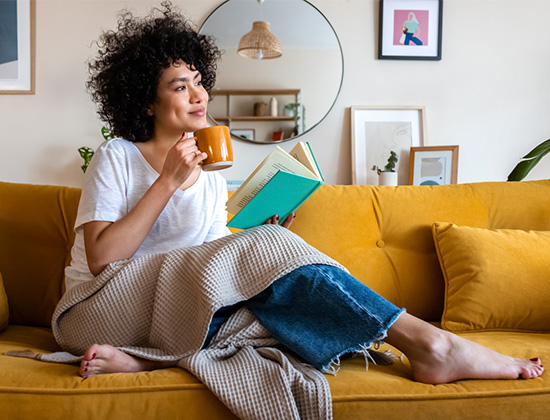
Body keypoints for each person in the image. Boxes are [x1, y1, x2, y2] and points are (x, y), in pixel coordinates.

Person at [63, 2, 543, 385]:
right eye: (180, 86)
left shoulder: (210, 176)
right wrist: (167, 181)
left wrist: (258, 235)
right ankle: (433, 344)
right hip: (97, 309)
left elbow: (206, 264)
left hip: (170, 311)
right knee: (271, 290)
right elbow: (103, 259)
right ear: (146, 101)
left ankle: (150, 360)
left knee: (276, 308)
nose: (199, 95)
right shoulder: (118, 156)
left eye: (200, 81)